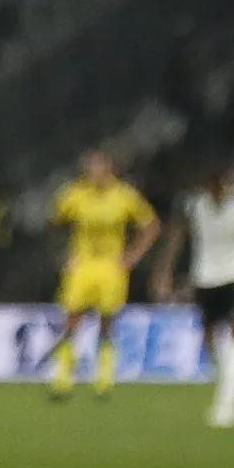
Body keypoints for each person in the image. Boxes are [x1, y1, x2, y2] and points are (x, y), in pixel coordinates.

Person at [154, 162, 234, 428]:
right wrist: (164, 272)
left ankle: (227, 399)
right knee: (209, 335)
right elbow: (176, 235)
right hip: (206, 275)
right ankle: (229, 377)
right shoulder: (193, 204)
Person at [42, 150, 159, 402]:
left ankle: (104, 379)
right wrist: (62, 256)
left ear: (109, 170)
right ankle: (63, 380)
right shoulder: (75, 194)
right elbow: (52, 222)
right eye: (90, 169)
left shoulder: (124, 196)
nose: (93, 174)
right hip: (82, 265)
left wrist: (131, 257)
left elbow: (151, 226)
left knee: (108, 321)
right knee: (72, 319)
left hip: (110, 266)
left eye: (97, 168)